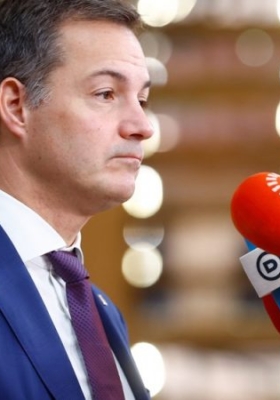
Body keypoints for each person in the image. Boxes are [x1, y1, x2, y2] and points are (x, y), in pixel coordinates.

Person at [0, 0, 154, 399]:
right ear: (16, 106)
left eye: (142, 100)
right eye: (106, 94)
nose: (142, 126)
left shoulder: (101, 311)